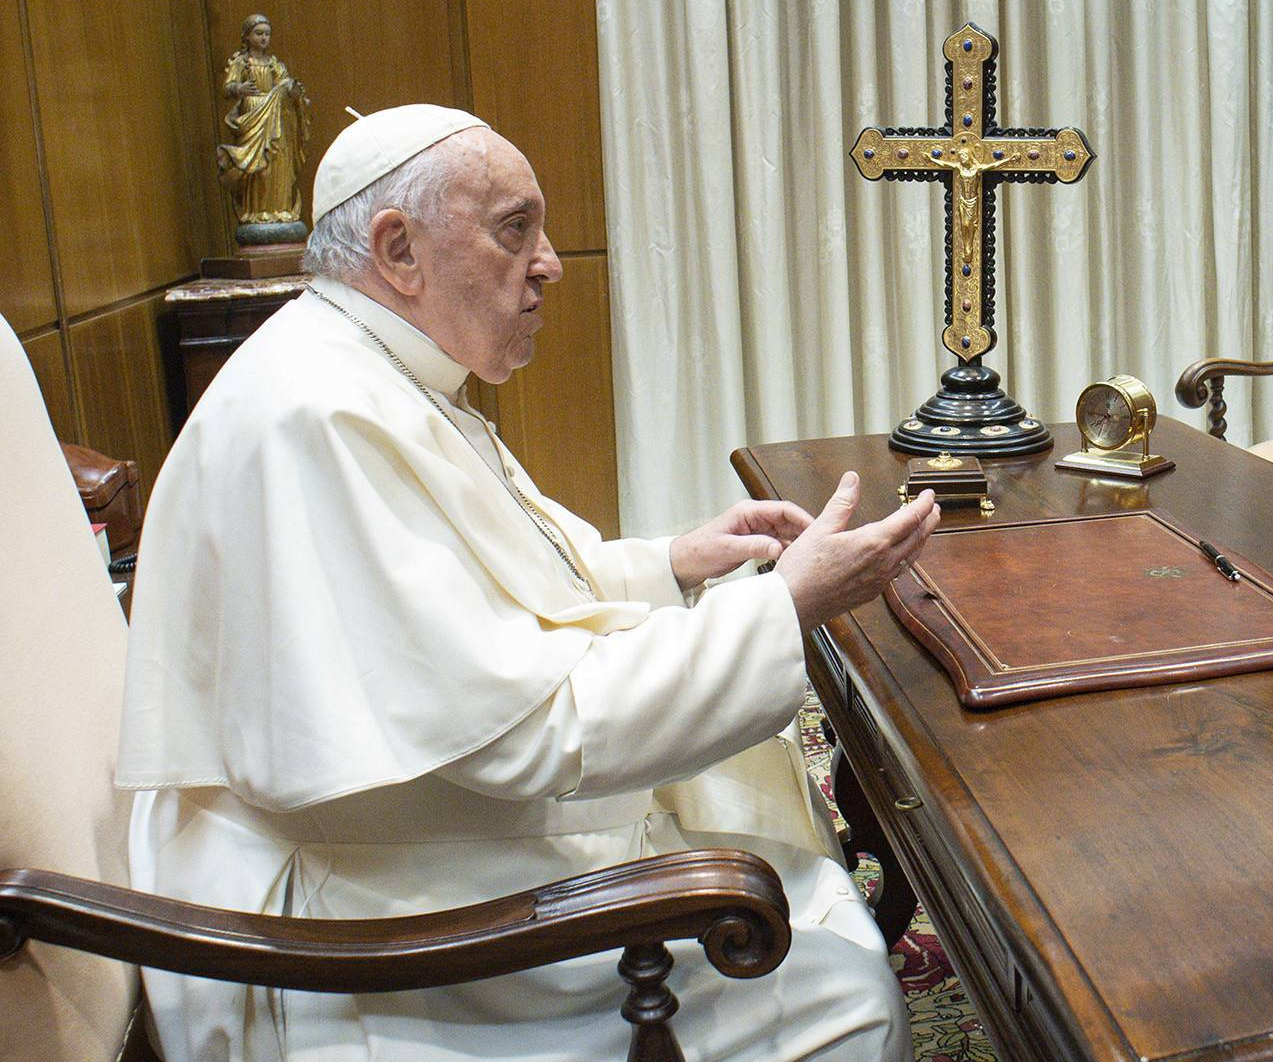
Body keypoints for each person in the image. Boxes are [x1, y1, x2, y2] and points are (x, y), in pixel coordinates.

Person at [118, 104, 941, 1060]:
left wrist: (668, 562)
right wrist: (786, 603)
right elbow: (525, 732)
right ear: (399, 250)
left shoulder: (373, 369)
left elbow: (490, 607)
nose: (550, 262)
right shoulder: (321, 416)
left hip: (409, 836)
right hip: (360, 910)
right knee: (842, 996)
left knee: (791, 879)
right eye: (516, 229)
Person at [216, 13, 311, 243]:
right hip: (253, 115)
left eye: (267, 34)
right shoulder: (241, 62)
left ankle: (280, 209)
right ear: (247, 36)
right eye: (258, 33)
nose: (264, 38)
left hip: (275, 119)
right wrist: (239, 88)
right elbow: (226, 88)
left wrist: (294, 93)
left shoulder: (274, 64)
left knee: (277, 160)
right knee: (259, 167)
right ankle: (258, 213)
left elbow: (286, 85)